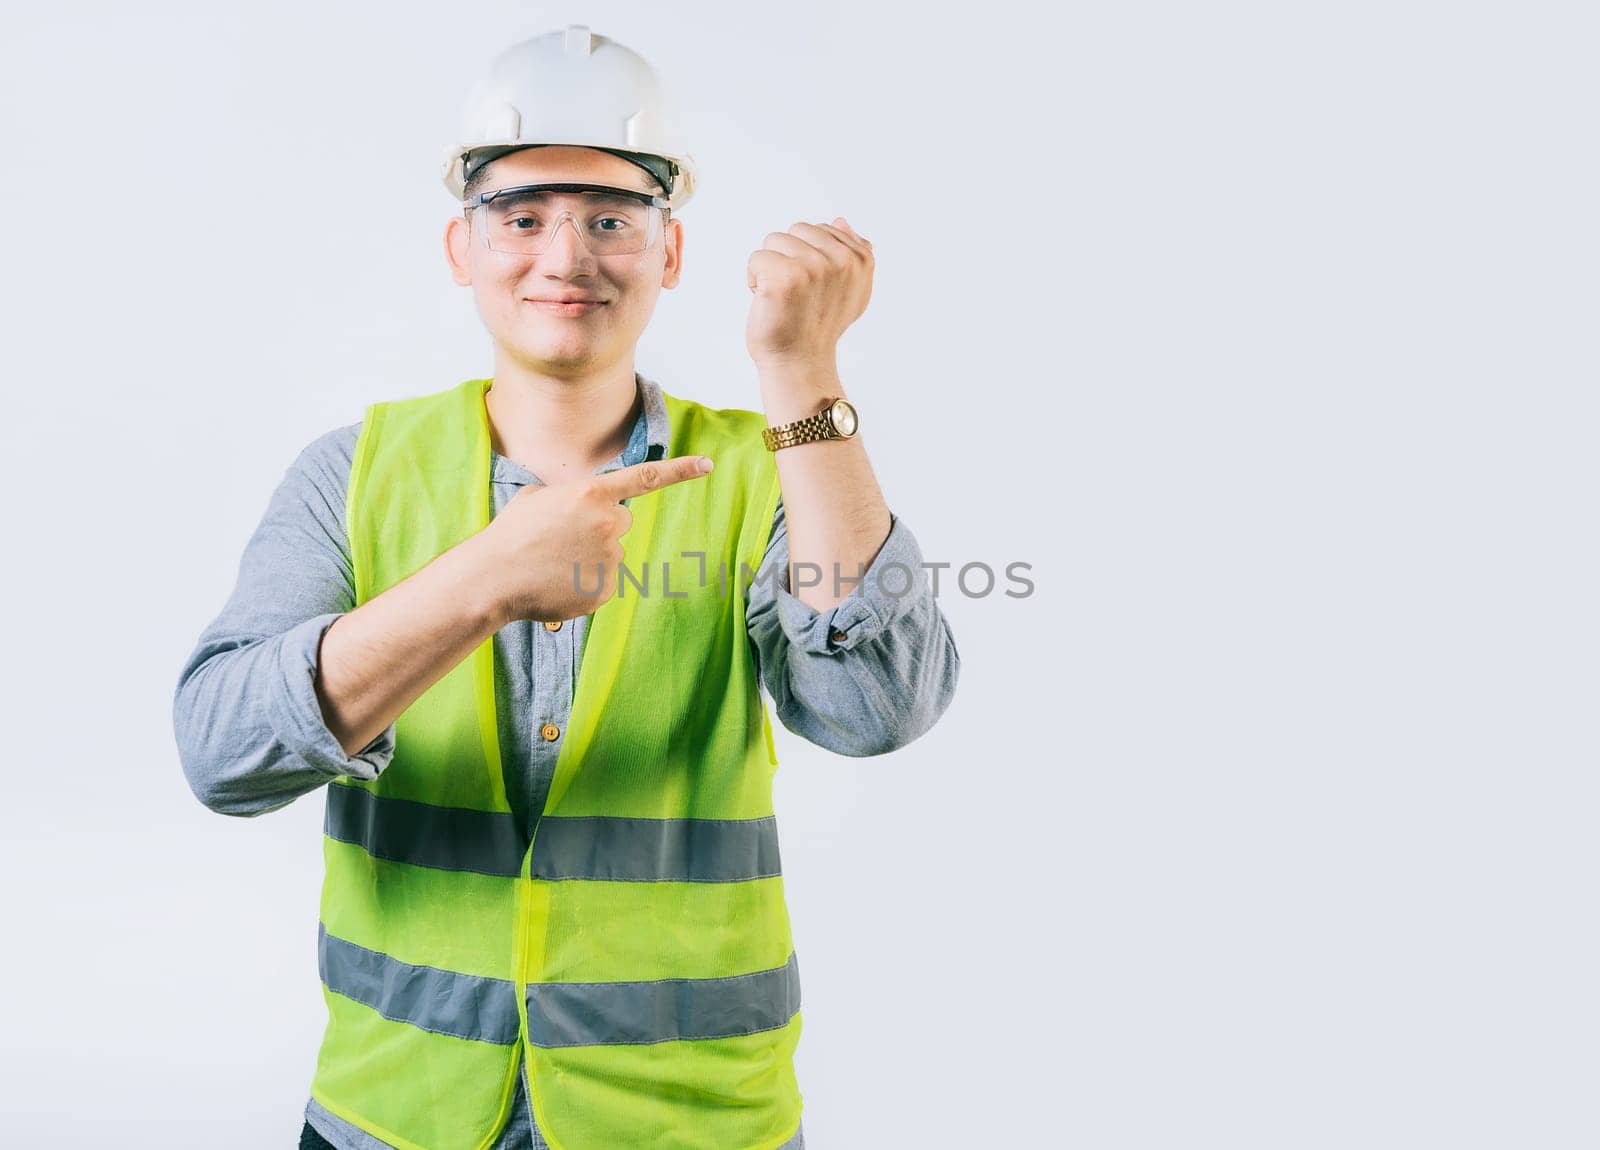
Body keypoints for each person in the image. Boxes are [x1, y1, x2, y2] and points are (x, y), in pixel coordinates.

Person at [172, 24, 959, 1150]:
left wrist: (803, 374)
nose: (565, 256)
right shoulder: (351, 475)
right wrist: (482, 582)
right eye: (522, 215)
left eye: (610, 219)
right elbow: (221, 755)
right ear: (462, 244)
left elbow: (876, 711)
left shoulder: (766, 471)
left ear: (670, 251)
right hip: (401, 1112)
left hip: (691, 1121)